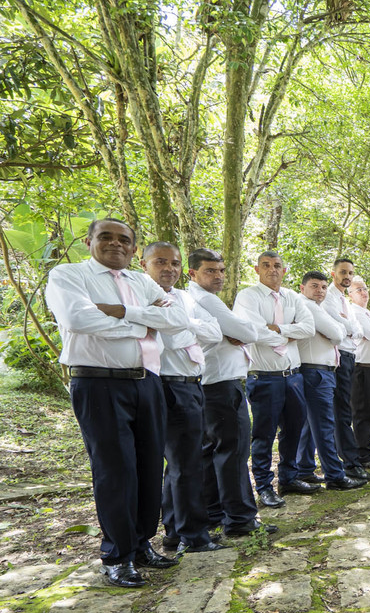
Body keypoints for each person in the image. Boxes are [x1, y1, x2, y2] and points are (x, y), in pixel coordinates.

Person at [45, 218, 187, 588]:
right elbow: (78, 319)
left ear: (133, 247)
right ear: (90, 240)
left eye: (124, 239)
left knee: (148, 465)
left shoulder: (141, 281)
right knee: (115, 469)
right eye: (105, 237)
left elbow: (177, 318)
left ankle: (142, 544)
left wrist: (124, 312)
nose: (115, 244)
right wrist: (146, 325)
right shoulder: (69, 275)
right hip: (99, 384)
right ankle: (117, 555)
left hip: (148, 383)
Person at [141, 242, 224, 553]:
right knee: (185, 464)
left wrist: (183, 322)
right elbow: (170, 339)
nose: (169, 269)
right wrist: (189, 327)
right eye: (161, 262)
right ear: (144, 263)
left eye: (174, 263)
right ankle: (194, 535)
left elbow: (213, 333)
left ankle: (175, 530)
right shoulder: (145, 294)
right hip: (168, 384)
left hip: (192, 383)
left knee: (178, 463)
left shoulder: (183, 298)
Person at [186, 248, 269, 537]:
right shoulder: (204, 299)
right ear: (192, 273)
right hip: (220, 385)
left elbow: (242, 331)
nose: (219, 276)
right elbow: (251, 334)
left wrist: (234, 330)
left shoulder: (194, 299)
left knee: (213, 452)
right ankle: (240, 518)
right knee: (232, 452)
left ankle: (215, 512)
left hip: (210, 385)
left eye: (221, 270)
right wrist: (235, 331)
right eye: (211, 270)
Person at [233, 251, 317, 507]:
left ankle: (289, 478)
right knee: (264, 434)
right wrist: (289, 333)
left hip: (293, 377)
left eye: (277, 265)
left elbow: (309, 329)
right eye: (266, 265)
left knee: (293, 430)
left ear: (285, 270)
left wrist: (278, 328)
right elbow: (254, 332)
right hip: (264, 377)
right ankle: (264, 485)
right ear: (257, 270)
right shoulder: (248, 296)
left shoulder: (292, 297)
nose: (272, 270)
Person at [295, 271, 368, 491]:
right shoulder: (306, 306)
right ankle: (335, 476)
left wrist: (339, 329)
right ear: (302, 288)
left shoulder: (316, 307)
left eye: (324, 287)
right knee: (324, 424)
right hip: (315, 370)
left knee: (309, 424)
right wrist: (339, 329)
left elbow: (340, 331)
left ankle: (305, 469)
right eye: (315, 286)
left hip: (320, 369)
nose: (320, 291)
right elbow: (337, 334)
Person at [322, 258, 370, 480]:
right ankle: (351, 464)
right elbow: (341, 329)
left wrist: (349, 327)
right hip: (339, 357)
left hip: (351, 355)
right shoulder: (328, 297)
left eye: (350, 273)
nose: (347, 277)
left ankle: (347, 460)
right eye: (343, 272)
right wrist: (350, 328)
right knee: (342, 411)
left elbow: (357, 330)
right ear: (333, 274)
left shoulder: (345, 301)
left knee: (345, 410)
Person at [348, 276, 370, 466]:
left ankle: (367, 447)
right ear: (350, 294)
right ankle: (362, 455)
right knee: (362, 411)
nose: (364, 293)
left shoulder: (366, 312)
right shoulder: (356, 312)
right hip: (361, 367)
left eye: (365, 288)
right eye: (358, 290)